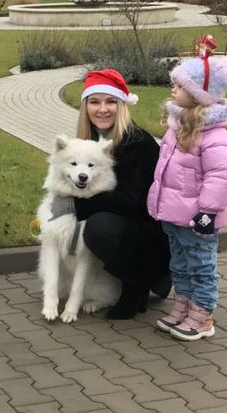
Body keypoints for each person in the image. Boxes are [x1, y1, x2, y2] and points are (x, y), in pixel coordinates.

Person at [148, 38, 227, 341]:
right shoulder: (177, 127)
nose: (173, 90)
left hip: (198, 218)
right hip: (174, 214)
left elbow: (220, 175)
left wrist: (208, 212)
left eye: (180, 86)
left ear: (200, 94)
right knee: (180, 264)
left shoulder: (214, 136)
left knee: (201, 265)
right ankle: (183, 306)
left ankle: (202, 317)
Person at [73, 69, 172, 320]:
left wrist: (81, 201)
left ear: (122, 105)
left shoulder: (136, 142)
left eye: (111, 102)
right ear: (85, 107)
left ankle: (139, 283)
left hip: (151, 231)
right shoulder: (90, 140)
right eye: (94, 102)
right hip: (125, 223)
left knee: (97, 227)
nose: (102, 109)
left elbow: (133, 202)